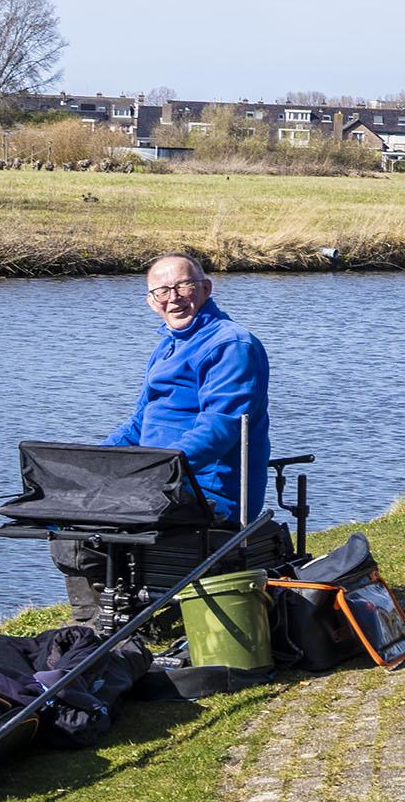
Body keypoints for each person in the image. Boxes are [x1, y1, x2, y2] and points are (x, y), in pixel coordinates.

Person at [56, 251, 272, 620]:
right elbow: (138, 425)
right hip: (160, 481)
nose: (173, 298)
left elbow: (219, 429)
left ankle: (104, 626)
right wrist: (93, 465)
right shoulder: (167, 345)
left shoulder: (231, 344)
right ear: (151, 301)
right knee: (66, 510)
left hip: (208, 492)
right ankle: (105, 618)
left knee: (83, 526)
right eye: (162, 291)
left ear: (205, 288)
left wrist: (157, 471)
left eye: (183, 286)